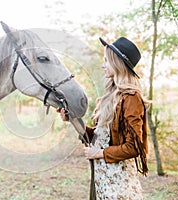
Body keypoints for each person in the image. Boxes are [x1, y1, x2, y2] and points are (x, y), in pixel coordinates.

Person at [57, 37, 148, 199]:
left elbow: (134, 147)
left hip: (119, 181)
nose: (103, 65)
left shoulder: (131, 98)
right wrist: (71, 118)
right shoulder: (108, 97)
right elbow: (100, 137)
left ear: (117, 63)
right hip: (103, 177)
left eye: (106, 60)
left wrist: (98, 153)